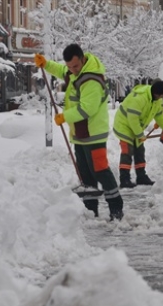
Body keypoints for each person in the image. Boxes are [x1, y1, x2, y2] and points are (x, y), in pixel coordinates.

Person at [34, 44, 124, 221]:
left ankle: (116, 208)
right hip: (80, 135)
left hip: (94, 134)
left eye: (75, 66)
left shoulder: (91, 80)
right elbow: (62, 71)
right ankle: (91, 210)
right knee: (85, 174)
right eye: (70, 67)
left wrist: (64, 117)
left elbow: (87, 109)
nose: (72, 70)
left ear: (83, 59)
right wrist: (46, 64)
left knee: (100, 171)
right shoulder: (76, 73)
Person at [113, 81, 163, 188]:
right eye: (161, 95)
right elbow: (133, 119)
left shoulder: (155, 101)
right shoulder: (139, 98)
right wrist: (140, 135)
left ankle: (141, 176)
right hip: (124, 125)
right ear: (156, 93)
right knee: (127, 150)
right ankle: (124, 179)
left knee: (140, 150)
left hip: (136, 127)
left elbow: (159, 116)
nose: (162, 98)